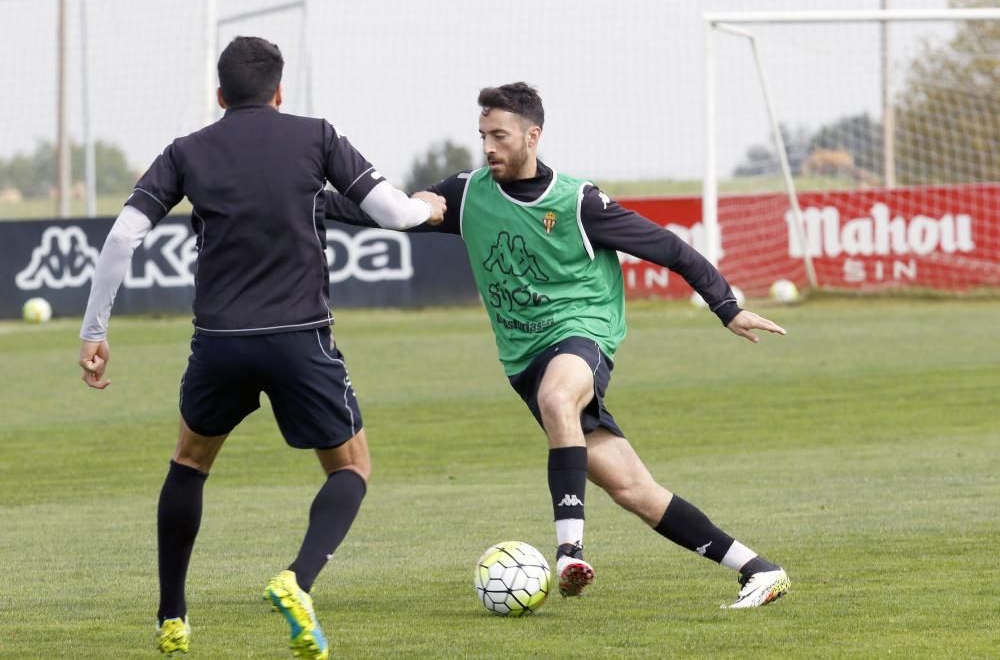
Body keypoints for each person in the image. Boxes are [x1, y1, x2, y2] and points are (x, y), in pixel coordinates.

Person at [324, 81, 791, 609]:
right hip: (523, 359)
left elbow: (672, 249)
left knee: (557, 397)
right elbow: (399, 211)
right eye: (482, 136)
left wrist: (726, 308)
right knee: (633, 488)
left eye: (499, 135)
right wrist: (311, 199)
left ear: (533, 135)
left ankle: (569, 550)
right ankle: (758, 568)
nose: (488, 147)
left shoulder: (577, 202)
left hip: (581, 331)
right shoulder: (468, 190)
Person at [77, 36, 445, 658]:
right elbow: (393, 215)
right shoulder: (315, 135)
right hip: (299, 338)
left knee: (189, 463)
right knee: (352, 467)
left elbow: (121, 237)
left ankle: (172, 617)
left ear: (219, 96)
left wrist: (94, 333)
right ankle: (296, 581)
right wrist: (427, 206)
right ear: (279, 92)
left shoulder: (187, 151)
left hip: (219, 343)